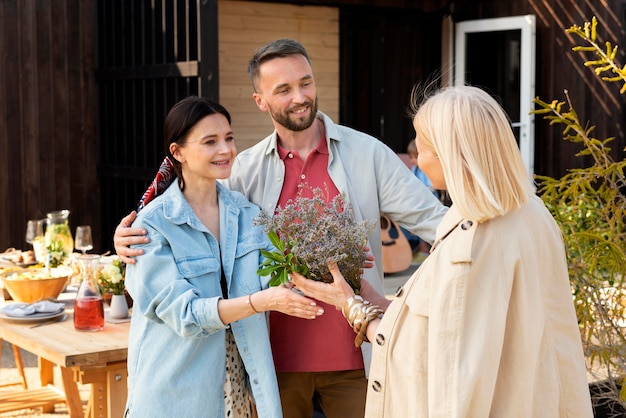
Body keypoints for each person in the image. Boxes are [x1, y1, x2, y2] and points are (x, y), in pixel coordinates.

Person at [114, 39, 448, 418]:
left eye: (306, 82)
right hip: (274, 368)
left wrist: (411, 305)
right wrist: (126, 238)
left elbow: (442, 227)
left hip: (359, 359)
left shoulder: (367, 153)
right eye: (284, 89)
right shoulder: (243, 170)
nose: (300, 97)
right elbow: (195, 216)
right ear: (261, 101)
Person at [290, 85, 594, 417]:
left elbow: (442, 366)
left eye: (423, 144)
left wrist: (351, 306)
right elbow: (448, 322)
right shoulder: (530, 212)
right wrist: (371, 297)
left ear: (451, 152)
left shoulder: (474, 239)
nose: (417, 155)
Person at [123, 96, 324, 418]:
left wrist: (330, 262)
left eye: (229, 138)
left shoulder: (247, 214)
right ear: (178, 152)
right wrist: (261, 302)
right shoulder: (152, 225)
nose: (225, 149)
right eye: (210, 142)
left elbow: (280, 278)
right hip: (174, 395)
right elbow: (184, 315)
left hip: (236, 391)